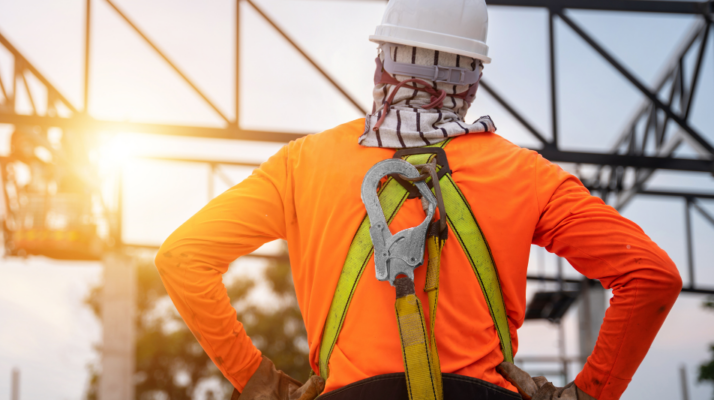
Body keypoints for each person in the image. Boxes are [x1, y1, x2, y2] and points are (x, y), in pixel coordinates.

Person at [155, 0, 682, 399]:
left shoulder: (302, 165)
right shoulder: (526, 174)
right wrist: (589, 392)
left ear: (382, 60)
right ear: (474, 78)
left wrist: (260, 383)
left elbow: (182, 258)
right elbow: (652, 277)